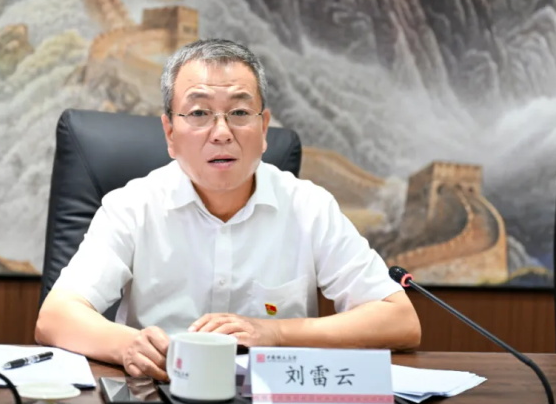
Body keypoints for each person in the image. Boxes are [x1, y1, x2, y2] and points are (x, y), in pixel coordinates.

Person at [35, 38, 421, 381]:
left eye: (239, 113)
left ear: (263, 128)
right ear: (170, 133)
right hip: (160, 395)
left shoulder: (309, 207)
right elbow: (56, 316)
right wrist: (128, 346)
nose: (221, 133)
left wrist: (276, 333)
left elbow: (400, 320)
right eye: (199, 113)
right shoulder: (132, 207)